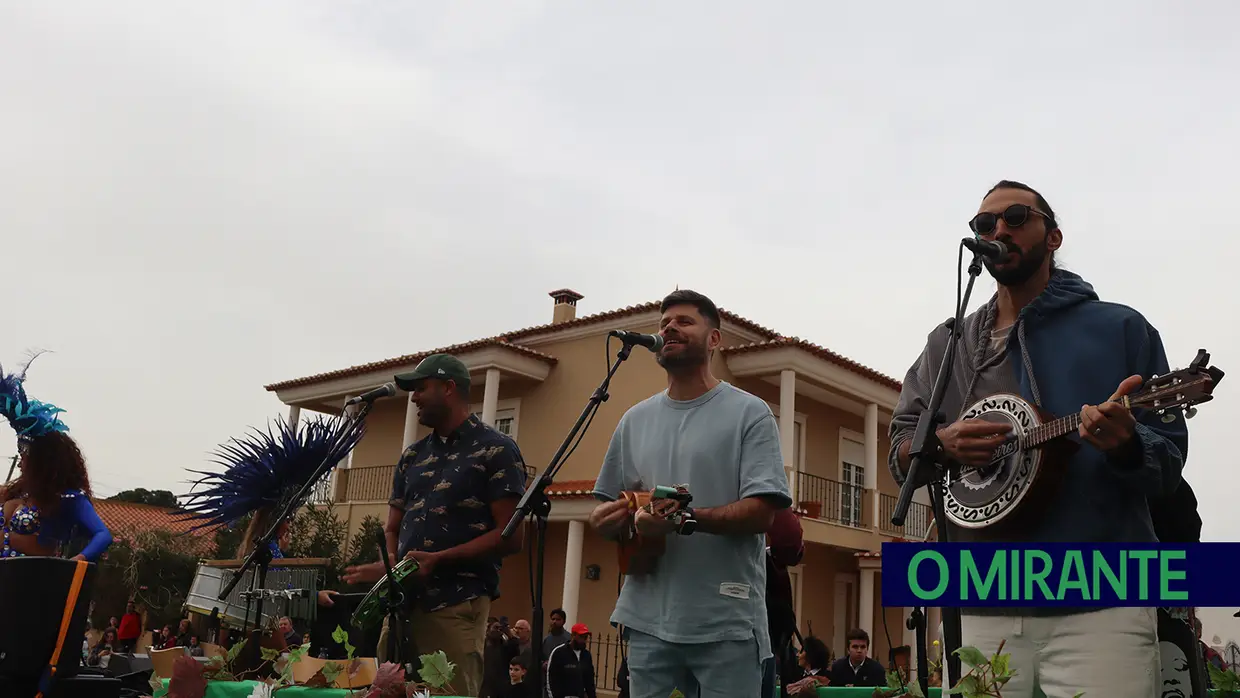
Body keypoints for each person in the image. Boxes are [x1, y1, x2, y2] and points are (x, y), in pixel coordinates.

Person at [888, 180, 1188, 698]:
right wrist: (941, 443)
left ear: (1053, 236)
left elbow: (1168, 460)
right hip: (981, 598)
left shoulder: (1120, 328)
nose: (998, 229)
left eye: (1017, 217)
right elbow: (901, 447)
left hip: (1100, 599)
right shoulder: (948, 343)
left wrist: (1127, 443)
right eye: (985, 224)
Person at [589, 289, 792, 698]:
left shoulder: (749, 412)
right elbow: (619, 508)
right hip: (646, 619)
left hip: (726, 621)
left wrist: (683, 520)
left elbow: (761, 513)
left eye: (684, 321)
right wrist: (608, 523)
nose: (669, 328)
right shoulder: (634, 420)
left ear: (714, 339)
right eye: (664, 323)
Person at [343, 353, 528, 697]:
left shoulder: (496, 450)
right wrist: (393, 566)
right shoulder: (412, 456)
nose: (413, 397)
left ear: (448, 388)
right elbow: (392, 527)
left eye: (420, 388)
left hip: (455, 607)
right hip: (401, 609)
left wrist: (438, 560)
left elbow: (511, 536)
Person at [0, 357, 112, 562]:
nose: (20, 463)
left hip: (29, 582)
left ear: (43, 463)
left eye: (25, 457)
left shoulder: (67, 498)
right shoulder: (14, 491)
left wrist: (76, 561)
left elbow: (103, 535)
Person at [545, 623, 596, 698]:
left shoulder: (586, 655)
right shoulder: (559, 652)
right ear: (573, 636)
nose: (584, 640)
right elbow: (551, 678)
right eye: (581, 637)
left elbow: (590, 680)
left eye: (586, 637)